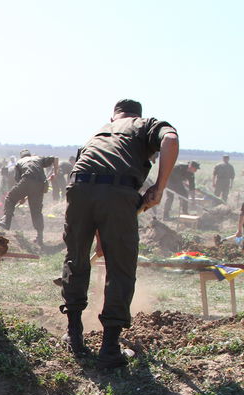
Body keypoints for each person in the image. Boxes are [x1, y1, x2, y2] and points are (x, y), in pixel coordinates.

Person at [60, 99, 178, 369]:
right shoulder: (144, 124)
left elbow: (93, 183)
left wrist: (100, 238)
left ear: (114, 116)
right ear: (136, 114)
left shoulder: (99, 133)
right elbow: (170, 139)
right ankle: (110, 349)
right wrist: (159, 188)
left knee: (75, 260)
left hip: (78, 190)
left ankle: (74, 336)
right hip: (117, 194)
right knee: (120, 268)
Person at [0, 149, 58, 246]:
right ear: (30, 155)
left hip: (27, 181)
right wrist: (56, 173)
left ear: (21, 157)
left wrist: (21, 196)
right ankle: (40, 237)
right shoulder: (38, 158)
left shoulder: (19, 162)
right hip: (40, 185)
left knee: (10, 198)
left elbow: (19, 181)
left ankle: (6, 221)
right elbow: (55, 158)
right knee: (36, 211)